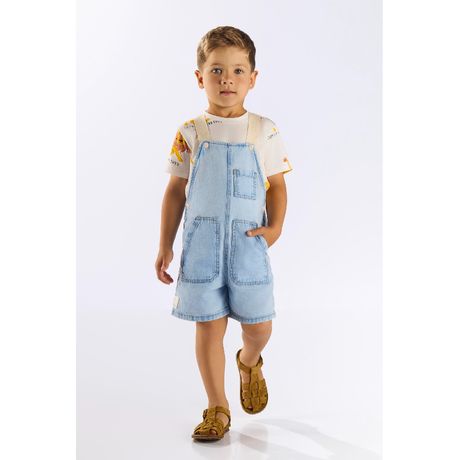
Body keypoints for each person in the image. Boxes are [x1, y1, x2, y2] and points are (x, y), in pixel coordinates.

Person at [155, 25, 293, 442]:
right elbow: (175, 190)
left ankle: (249, 360)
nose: (227, 79)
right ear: (200, 77)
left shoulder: (264, 130)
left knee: (260, 326)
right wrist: (165, 245)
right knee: (208, 327)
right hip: (202, 248)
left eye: (237, 70)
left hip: (248, 245)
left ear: (253, 78)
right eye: (216, 70)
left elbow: (278, 185)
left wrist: (274, 229)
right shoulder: (190, 131)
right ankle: (217, 407)